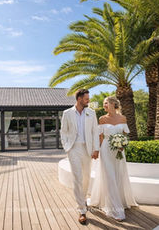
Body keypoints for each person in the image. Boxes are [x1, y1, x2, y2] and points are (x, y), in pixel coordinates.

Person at [88, 96, 138, 221]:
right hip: (106, 150)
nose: (103, 105)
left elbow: (125, 135)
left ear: (112, 104)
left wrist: (122, 145)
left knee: (118, 175)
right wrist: (97, 151)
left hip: (119, 152)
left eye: (105, 103)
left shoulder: (123, 118)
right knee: (109, 176)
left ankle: (120, 201)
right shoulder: (102, 119)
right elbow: (100, 137)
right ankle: (114, 208)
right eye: (104, 103)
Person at [60, 89, 100, 225]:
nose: (88, 100)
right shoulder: (67, 113)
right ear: (79, 99)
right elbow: (63, 131)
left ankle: (82, 199)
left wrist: (96, 149)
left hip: (87, 149)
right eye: (86, 98)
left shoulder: (91, 113)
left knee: (87, 177)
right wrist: (67, 147)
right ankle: (82, 210)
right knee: (77, 177)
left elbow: (95, 132)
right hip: (74, 148)